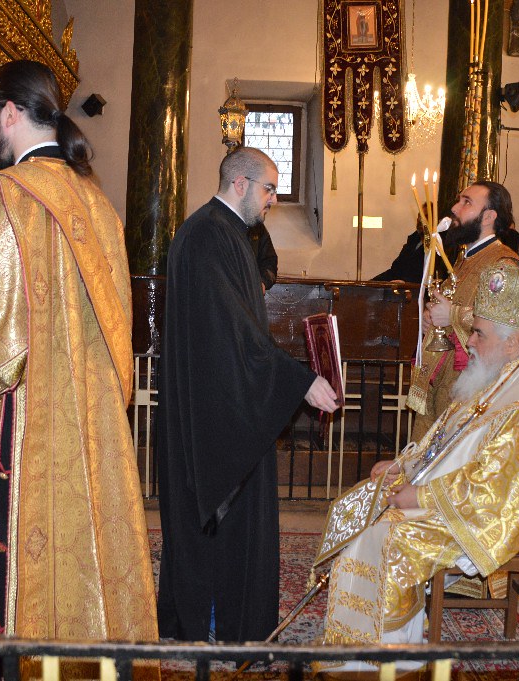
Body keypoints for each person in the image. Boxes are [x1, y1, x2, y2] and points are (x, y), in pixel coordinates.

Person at [0, 61, 158, 656]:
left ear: (12, 113)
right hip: (85, 421)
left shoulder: (9, 199)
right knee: (83, 557)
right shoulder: (94, 200)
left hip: (23, 432)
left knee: (17, 575)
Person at [314, 263, 519, 671]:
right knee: (363, 505)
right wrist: (403, 465)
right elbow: (446, 439)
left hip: (482, 515)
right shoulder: (498, 373)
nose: (468, 341)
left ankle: (390, 662)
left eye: (479, 333)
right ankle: (359, 647)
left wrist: (420, 495)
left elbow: (499, 490)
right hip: (454, 497)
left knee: (388, 538)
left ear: (512, 343)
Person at [156, 146, 339, 642]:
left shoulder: (226, 233)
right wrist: (299, 380)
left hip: (222, 399)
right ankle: (216, 622)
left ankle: (223, 619)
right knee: (223, 518)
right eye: (268, 189)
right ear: (240, 183)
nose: (273, 200)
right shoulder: (207, 237)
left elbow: (239, 329)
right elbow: (231, 333)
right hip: (215, 413)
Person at [408, 181, 519, 441]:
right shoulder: (464, 259)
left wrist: (453, 315)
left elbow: (505, 327)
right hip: (444, 379)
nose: (455, 208)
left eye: (466, 202)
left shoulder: (503, 263)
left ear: (488, 217)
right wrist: (431, 318)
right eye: (459, 200)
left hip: (470, 384)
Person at [248, 221, 278, 290]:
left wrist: (263, 282)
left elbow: (270, 261)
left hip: (251, 290)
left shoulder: (257, 227)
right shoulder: (225, 224)